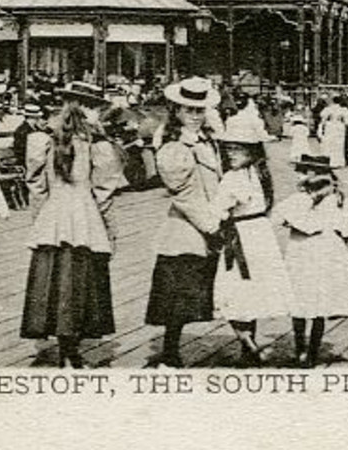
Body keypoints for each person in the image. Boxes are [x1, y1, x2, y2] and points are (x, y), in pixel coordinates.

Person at [20, 89, 127, 369]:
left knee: (54, 281)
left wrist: (41, 219)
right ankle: (72, 349)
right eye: (97, 109)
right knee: (80, 282)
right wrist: (108, 230)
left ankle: (61, 344)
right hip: (84, 217)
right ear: (88, 111)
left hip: (53, 216)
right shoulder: (97, 145)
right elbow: (104, 191)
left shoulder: (42, 140)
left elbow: (36, 186)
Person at [145, 77, 224, 368]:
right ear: (176, 110)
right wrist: (211, 226)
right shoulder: (173, 146)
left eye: (199, 110)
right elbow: (183, 194)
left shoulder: (208, 140)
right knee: (178, 295)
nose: (195, 116)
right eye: (189, 110)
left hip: (212, 220)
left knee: (207, 290)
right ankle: (170, 353)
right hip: (187, 229)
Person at [212, 117, 294, 365]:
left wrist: (217, 219)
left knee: (233, 291)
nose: (232, 153)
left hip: (242, 237)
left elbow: (217, 210)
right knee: (253, 294)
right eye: (229, 149)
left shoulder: (233, 178)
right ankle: (249, 348)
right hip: (261, 235)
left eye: (239, 148)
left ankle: (249, 344)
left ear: (252, 150)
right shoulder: (261, 174)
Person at [276, 154, 348, 368]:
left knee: (302, 300)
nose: (301, 175)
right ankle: (310, 351)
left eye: (305, 171)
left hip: (304, 250)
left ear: (313, 173)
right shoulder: (342, 197)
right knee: (319, 302)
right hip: (328, 250)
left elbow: (282, 218)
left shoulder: (305, 197)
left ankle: (301, 350)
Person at [317, 96, 348, 167]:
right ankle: (338, 162)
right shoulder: (344, 110)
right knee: (339, 145)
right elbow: (347, 122)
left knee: (329, 143)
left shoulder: (328, 109)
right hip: (339, 127)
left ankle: (329, 160)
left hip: (330, 127)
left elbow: (323, 118)